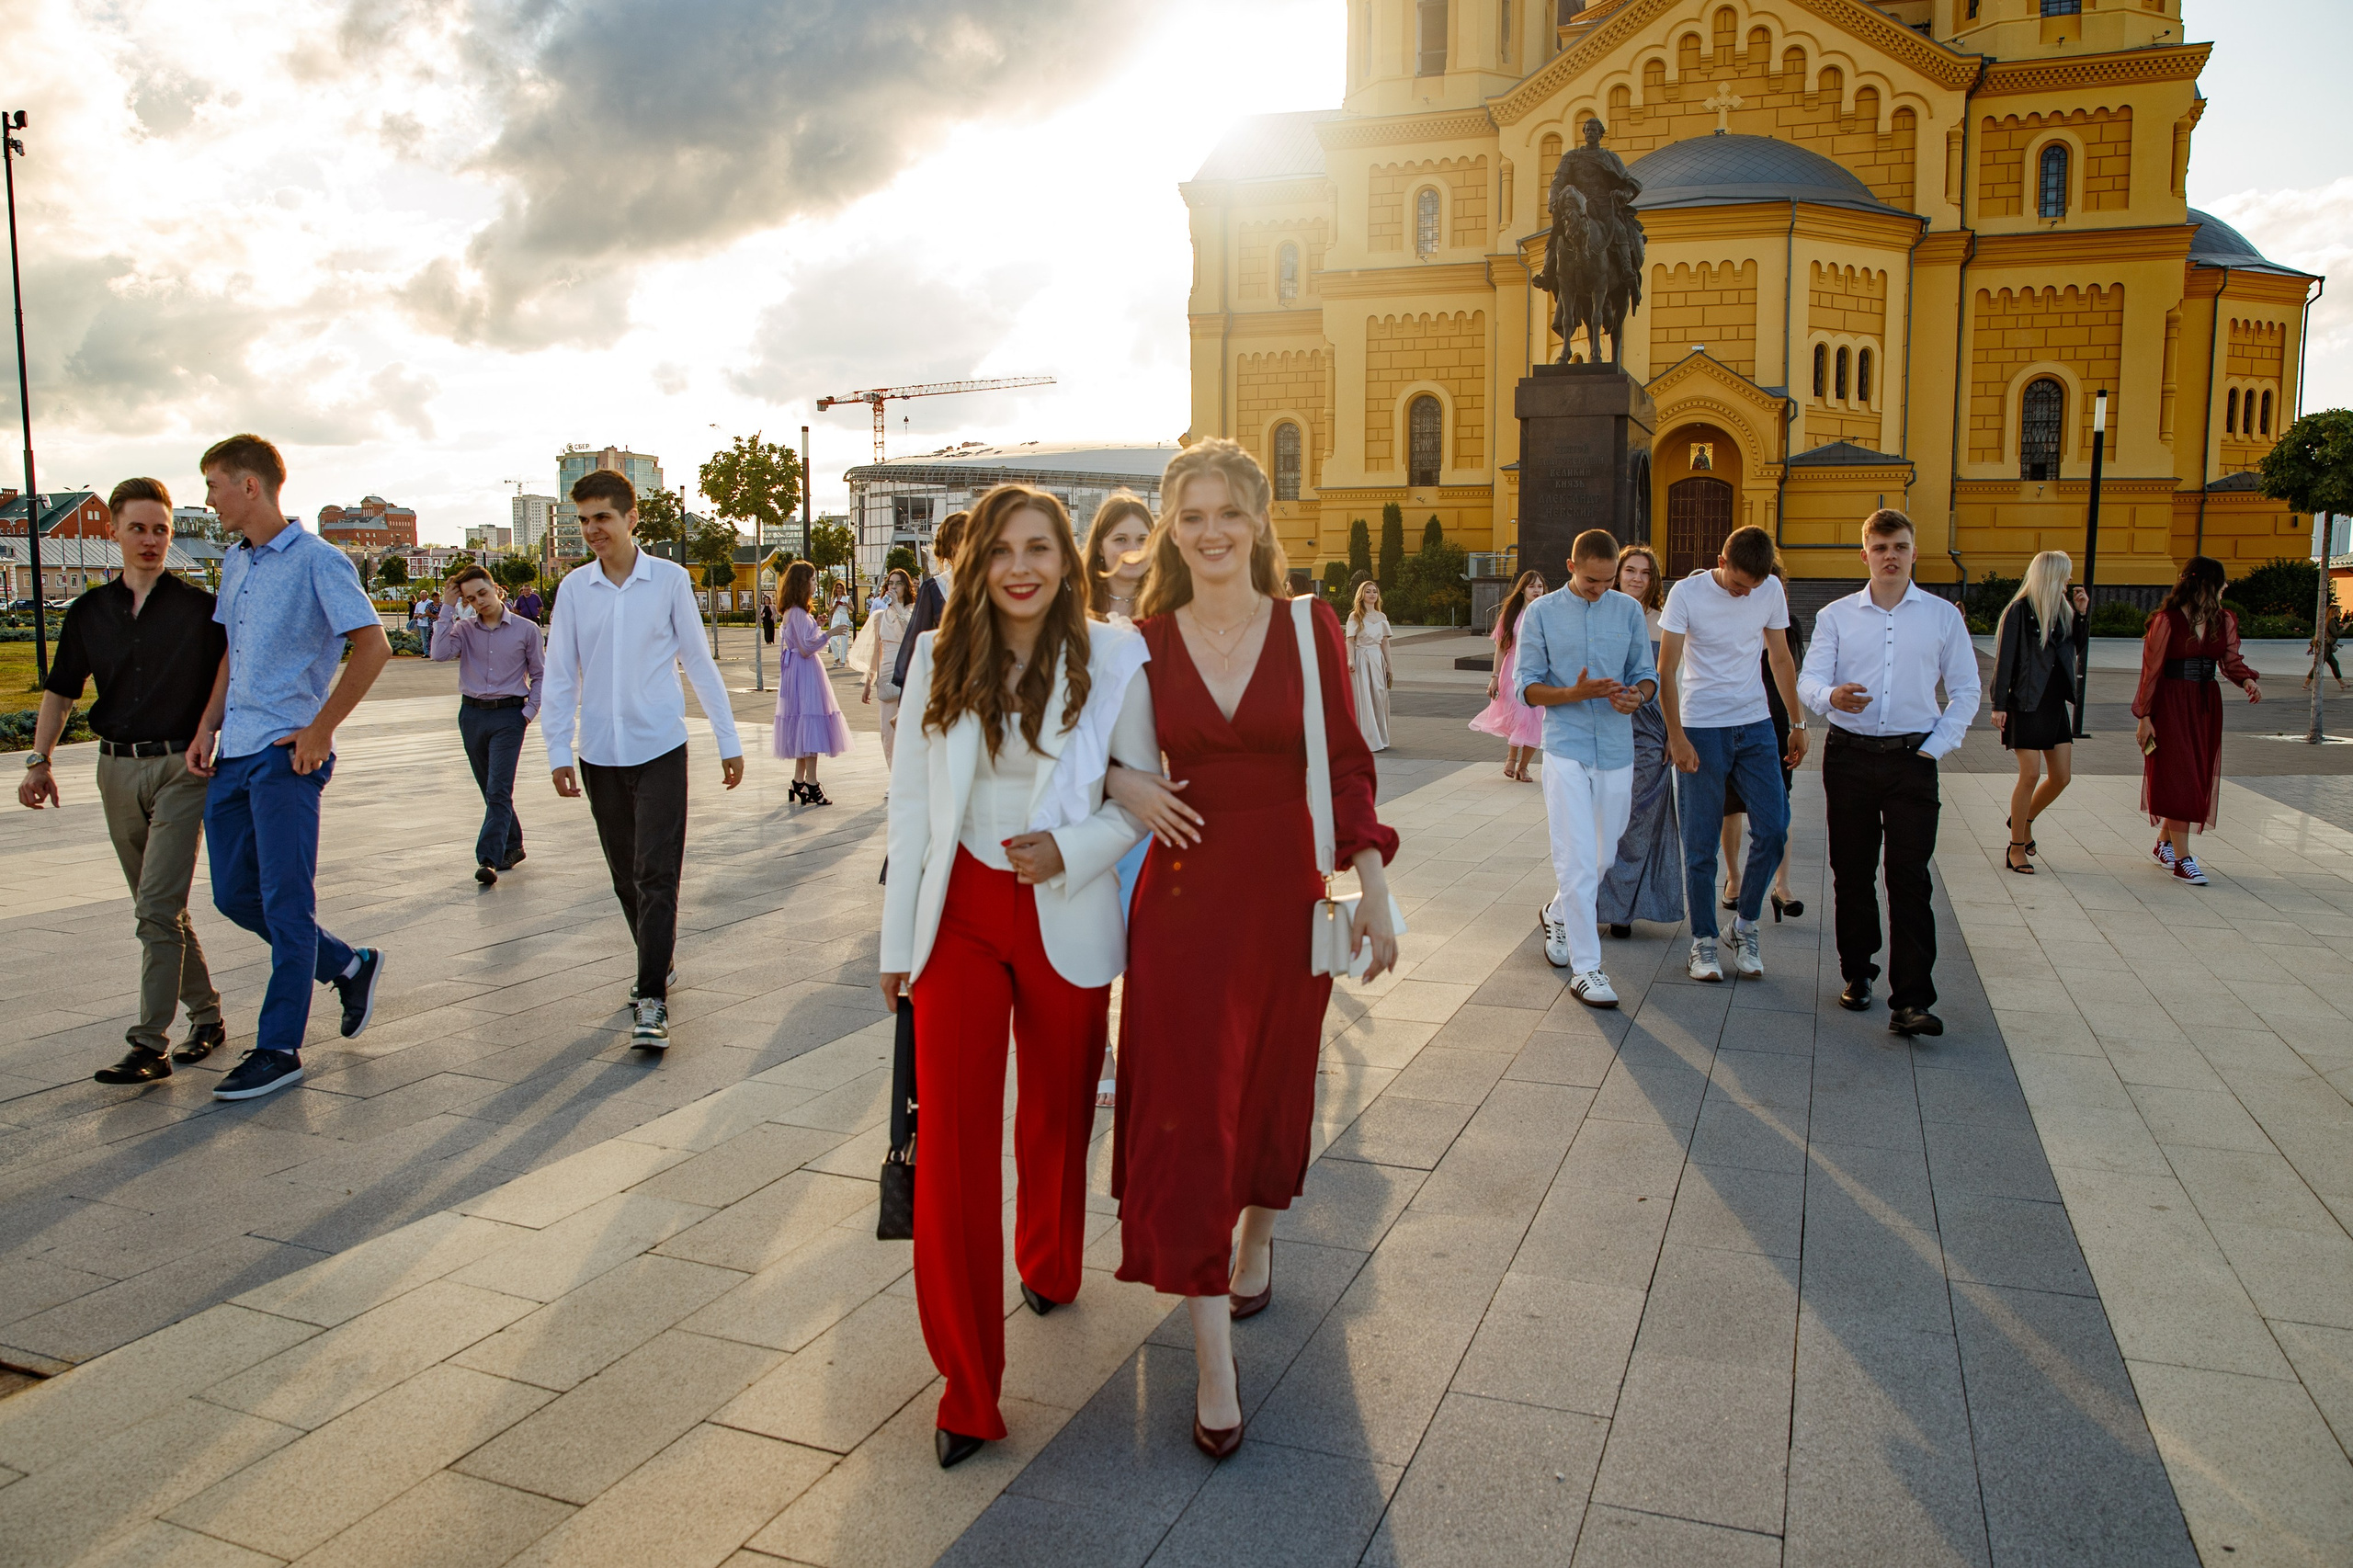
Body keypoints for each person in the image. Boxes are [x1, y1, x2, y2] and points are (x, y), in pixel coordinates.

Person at [1107, 438, 1400, 1460]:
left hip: (1284, 895)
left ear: (1257, 519)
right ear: (1171, 531)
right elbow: (1081, 754)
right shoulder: (1138, 641)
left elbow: (1352, 763)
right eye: (1190, 515)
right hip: (1183, 901)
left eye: (1227, 511)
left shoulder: (1306, 624)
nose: (1210, 531)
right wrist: (1119, 781)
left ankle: (1257, 1239)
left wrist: (1375, 888)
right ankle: (1212, 1359)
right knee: (1189, 1110)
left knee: (1274, 1088)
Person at [879, 483, 1156, 1471]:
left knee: (1055, 1109)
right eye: (1002, 550)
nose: (1020, 567)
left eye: (1039, 547)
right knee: (953, 1144)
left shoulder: (1117, 655)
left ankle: (1048, 1255)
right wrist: (895, 943)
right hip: (958, 914)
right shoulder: (941, 654)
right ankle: (966, 1383)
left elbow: (1142, 801)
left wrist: (1072, 848)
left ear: (1066, 558)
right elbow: (911, 804)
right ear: (977, 560)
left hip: (1065, 910)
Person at [184, 435, 392, 1101]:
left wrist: (320, 730)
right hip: (235, 750)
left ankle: (279, 1047)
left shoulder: (318, 561)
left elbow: (373, 645)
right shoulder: (235, 564)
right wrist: (207, 725)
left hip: (284, 757)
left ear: (250, 485)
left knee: (286, 902)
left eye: (214, 484)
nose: (208, 497)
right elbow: (231, 652)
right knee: (232, 895)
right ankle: (347, 965)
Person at [20, 478, 229, 1085]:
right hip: (114, 769)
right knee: (156, 909)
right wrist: (39, 761)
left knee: (157, 909)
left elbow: (229, 669)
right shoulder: (89, 613)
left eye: (160, 529)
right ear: (112, 531)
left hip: (182, 768)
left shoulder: (197, 609)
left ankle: (149, 1044)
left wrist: (210, 731)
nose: (150, 540)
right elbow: (61, 692)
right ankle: (209, 1017)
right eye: (137, 528)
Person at [540, 468, 745, 1050]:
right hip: (599, 753)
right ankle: (658, 958)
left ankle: (650, 996)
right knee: (625, 876)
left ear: (632, 519)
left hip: (660, 746)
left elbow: (699, 663)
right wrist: (558, 748)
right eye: (582, 520)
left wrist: (728, 741)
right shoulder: (575, 589)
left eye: (602, 517)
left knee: (657, 873)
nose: (592, 530)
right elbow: (559, 676)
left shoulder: (670, 581)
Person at [1797, 508, 1980, 1037]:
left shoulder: (1943, 617)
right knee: (1852, 873)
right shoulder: (1836, 616)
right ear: (1865, 555)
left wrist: (1937, 746)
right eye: (1879, 548)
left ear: (1914, 551)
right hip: (1850, 757)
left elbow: (1966, 690)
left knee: (1910, 878)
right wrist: (1829, 696)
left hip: (1912, 761)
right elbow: (1811, 679)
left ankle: (1912, 1000)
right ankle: (1858, 973)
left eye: (1899, 546)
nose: (1890, 557)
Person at [1657, 525, 1806, 983]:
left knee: (1775, 829)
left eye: (1755, 587)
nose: (1747, 595)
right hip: (1703, 726)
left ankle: (1743, 925)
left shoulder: (1769, 591)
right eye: (1740, 585)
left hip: (1757, 725)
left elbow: (1780, 658)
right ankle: (1703, 941)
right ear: (1722, 562)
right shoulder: (1687, 593)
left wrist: (1797, 722)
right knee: (1700, 843)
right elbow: (1666, 668)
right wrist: (1677, 736)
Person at [1518, 529, 1658, 1007]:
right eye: (1592, 579)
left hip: (1618, 748)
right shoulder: (1540, 613)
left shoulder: (1628, 611)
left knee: (1602, 857)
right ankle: (1588, 968)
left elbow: (1647, 673)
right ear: (1570, 565)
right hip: (1566, 749)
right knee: (1576, 859)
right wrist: (1571, 695)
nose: (1601, 588)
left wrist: (1637, 696)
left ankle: (1557, 911)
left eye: (1608, 579)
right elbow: (1528, 687)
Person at [1081, 490, 1156, 1109]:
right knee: (1097, 931)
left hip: (1156, 798)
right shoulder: (1075, 620)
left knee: (1147, 933)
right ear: (1099, 548)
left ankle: (1139, 1046)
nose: (1132, 550)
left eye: (1141, 537)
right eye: (1119, 538)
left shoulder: (1171, 615)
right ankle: (1101, 1051)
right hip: (1090, 796)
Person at [2133, 555, 2261, 887]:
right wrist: (2144, 716)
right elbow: (2151, 672)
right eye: (2221, 582)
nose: (2226, 587)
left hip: (2205, 706)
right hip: (2172, 704)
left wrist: (2246, 680)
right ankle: (2182, 859)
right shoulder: (2168, 620)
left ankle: (2164, 844)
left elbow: (2230, 660)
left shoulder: (2224, 619)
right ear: (2205, 584)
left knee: (2196, 777)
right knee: (2182, 778)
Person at [432, 563, 544, 885]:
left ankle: (488, 859)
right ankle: (513, 845)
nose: (479, 601)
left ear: (496, 589)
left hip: (509, 717)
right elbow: (439, 654)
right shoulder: (463, 630)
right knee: (490, 788)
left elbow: (540, 674)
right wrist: (448, 606)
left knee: (498, 788)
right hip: (472, 715)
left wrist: (528, 713)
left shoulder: (526, 630)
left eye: (483, 592)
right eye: (471, 598)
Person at [1597, 543, 1683, 937]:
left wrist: (1674, 733)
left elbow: (1673, 682)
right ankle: (1587, 901)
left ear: (1654, 579)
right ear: (1617, 573)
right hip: (1605, 725)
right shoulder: (1599, 613)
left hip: (1650, 730)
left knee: (1637, 818)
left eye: (1644, 572)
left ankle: (1623, 908)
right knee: (1599, 818)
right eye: (1629, 569)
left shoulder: (1665, 622)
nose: (1635, 577)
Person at [1990, 551, 2091, 874]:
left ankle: (2024, 820)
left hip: (2053, 704)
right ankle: (2016, 847)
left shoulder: (2064, 611)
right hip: (2025, 702)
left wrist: (2083, 614)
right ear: (2051, 574)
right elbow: (2004, 659)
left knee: (2062, 777)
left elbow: (2077, 648)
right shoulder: (2020, 611)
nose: (2069, 581)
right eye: (2065, 574)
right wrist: (1998, 705)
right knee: (2030, 774)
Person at [1719, 562, 1807, 921]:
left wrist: (1797, 723)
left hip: (1773, 717)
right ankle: (1735, 879)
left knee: (1778, 804)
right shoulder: (1725, 615)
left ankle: (1781, 885)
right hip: (1729, 718)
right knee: (1731, 807)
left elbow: (1788, 668)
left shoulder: (1787, 624)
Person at [773, 562, 852, 804]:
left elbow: (802, 641)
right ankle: (812, 783)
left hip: (798, 671)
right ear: (802, 583)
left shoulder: (794, 611)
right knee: (811, 724)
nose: (815, 584)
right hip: (805, 671)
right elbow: (807, 648)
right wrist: (829, 632)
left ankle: (799, 781)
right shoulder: (797, 613)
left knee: (803, 725)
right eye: (813, 580)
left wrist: (816, 625)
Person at [1468, 570, 1548, 781]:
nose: (1536, 590)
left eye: (1539, 586)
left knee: (1535, 718)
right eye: (1532, 586)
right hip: (1512, 668)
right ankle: (1512, 757)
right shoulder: (1512, 614)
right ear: (1522, 589)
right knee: (1519, 714)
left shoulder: (1548, 613)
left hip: (1539, 670)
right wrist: (1494, 676)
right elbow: (1501, 648)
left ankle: (1524, 766)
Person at [892, 512, 968, 694]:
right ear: (955, 545)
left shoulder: (994, 582)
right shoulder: (935, 588)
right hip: (948, 682)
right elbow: (916, 644)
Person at [856, 568, 915, 768]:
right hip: (887, 672)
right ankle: (894, 774)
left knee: (907, 728)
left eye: (898, 583)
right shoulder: (879, 617)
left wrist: (898, 607)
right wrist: (868, 682)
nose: (893, 587)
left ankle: (909, 774)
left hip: (908, 672)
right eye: (890, 583)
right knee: (887, 731)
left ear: (906, 587)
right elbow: (875, 651)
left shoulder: (912, 611)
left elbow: (911, 634)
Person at [1346, 582, 1393, 753]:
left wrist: (1389, 665)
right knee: (1363, 697)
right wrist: (1350, 660)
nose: (1372, 594)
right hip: (1361, 658)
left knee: (1379, 696)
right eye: (1368, 591)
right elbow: (1350, 641)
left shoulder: (1382, 617)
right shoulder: (1355, 616)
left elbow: (1385, 643)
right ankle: (1365, 738)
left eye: (1375, 591)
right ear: (1362, 595)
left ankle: (1380, 736)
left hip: (1377, 658)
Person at [2305, 608, 2347, 693]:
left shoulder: (2326, 621)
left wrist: (2312, 645)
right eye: (2338, 611)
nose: (2340, 613)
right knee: (2319, 664)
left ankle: (2342, 683)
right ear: (2334, 611)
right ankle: (2306, 684)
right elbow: (2336, 634)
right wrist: (2344, 628)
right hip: (2326, 646)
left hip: (2324, 645)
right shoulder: (2330, 621)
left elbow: (2318, 634)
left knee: (2334, 663)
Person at [828, 593, 852, 668]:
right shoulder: (833, 599)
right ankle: (836, 658)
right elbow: (830, 611)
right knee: (833, 639)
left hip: (844, 617)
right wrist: (836, 605)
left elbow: (853, 608)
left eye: (840, 588)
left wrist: (847, 605)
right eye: (838, 588)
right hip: (836, 617)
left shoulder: (847, 598)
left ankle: (843, 661)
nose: (839, 590)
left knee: (844, 640)